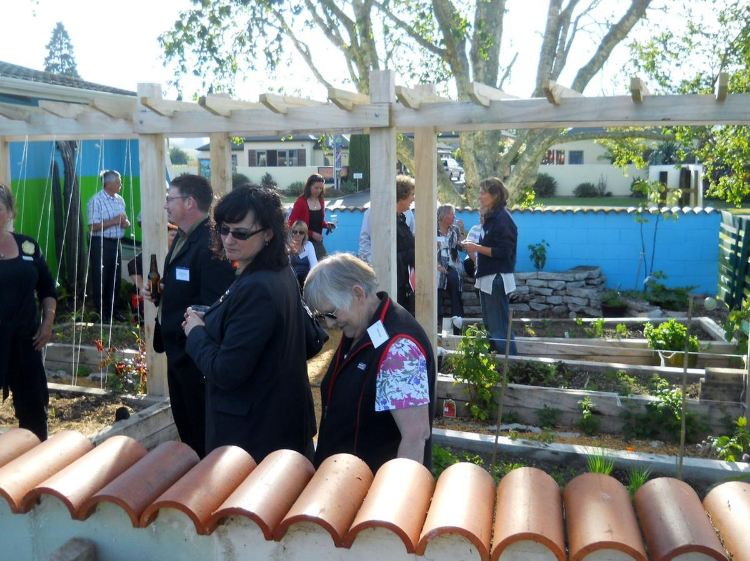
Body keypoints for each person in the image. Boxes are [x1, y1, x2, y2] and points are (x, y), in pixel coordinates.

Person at [183, 185, 316, 462]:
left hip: (254, 440)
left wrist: (195, 332)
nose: (229, 239)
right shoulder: (277, 270)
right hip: (279, 425)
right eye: (224, 230)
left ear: (268, 233)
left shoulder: (258, 286)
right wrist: (215, 319)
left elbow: (225, 371)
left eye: (241, 233)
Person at [304, 253, 436, 473]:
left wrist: (397, 492)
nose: (329, 324)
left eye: (331, 313)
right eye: (321, 317)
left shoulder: (399, 349)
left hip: (373, 487)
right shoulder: (362, 327)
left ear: (357, 293)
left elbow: (415, 436)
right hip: (341, 480)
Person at [147, 174, 235, 458]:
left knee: (200, 432)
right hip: (177, 350)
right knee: (187, 428)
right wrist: (163, 292)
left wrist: (196, 345)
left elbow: (214, 304)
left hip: (194, 357)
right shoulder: (183, 237)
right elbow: (187, 285)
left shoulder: (211, 243)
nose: (165, 205)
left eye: (170, 199)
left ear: (189, 202)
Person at [0, 184, 56, 440]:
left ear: (11, 212)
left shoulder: (27, 246)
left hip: (26, 342)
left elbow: (47, 288)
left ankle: (35, 454)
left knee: (33, 409)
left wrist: (47, 323)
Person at [461, 177, 518, 355]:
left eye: (483, 193)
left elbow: (504, 252)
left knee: (499, 327)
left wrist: (476, 248)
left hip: (496, 278)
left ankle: (510, 365)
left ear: (494, 195)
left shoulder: (503, 220)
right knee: (492, 327)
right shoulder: (492, 218)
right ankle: (499, 363)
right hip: (488, 278)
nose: (479, 197)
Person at [87, 169, 130, 321]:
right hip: (101, 243)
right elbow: (92, 226)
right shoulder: (96, 201)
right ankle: (101, 313)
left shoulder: (120, 200)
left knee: (115, 277)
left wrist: (125, 223)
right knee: (101, 277)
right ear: (108, 184)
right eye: (118, 182)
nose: (120, 185)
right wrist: (114, 221)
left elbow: (124, 220)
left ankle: (113, 311)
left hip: (116, 242)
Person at [288, 173, 335, 260]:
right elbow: (291, 224)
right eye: (316, 188)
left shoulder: (321, 201)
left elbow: (318, 221)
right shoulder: (300, 202)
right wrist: (311, 234)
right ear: (309, 186)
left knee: (324, 265)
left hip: (318, 243)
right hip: (303, 243)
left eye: (321, 188)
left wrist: (326, 225)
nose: (319, 190)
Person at [437, 204, 465, 328]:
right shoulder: (432, 229)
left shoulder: (455, 230)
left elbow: (461, 247)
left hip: (452, 265)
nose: (454, 217)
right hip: (436, 264)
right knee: (437, 282)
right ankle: (437, 319)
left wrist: (462, 231)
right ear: (444, 216)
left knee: (454, 280)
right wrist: (437, 265)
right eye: (452, 214)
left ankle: (457, 319)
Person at [395, 175, 416, 315]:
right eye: (411, 195)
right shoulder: (388, 220)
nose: (413, 199)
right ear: (402, 195)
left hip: (405, 280)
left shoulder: (402, 218)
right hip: (396, 281)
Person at [287, 220, 318, 289]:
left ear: (305, 235)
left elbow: (314, 266)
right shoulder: (288, 246)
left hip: (306, 282)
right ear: (292, 233)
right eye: (295, 232)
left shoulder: (308, 245)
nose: (297, 234)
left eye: (301, 232)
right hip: (292, 282)